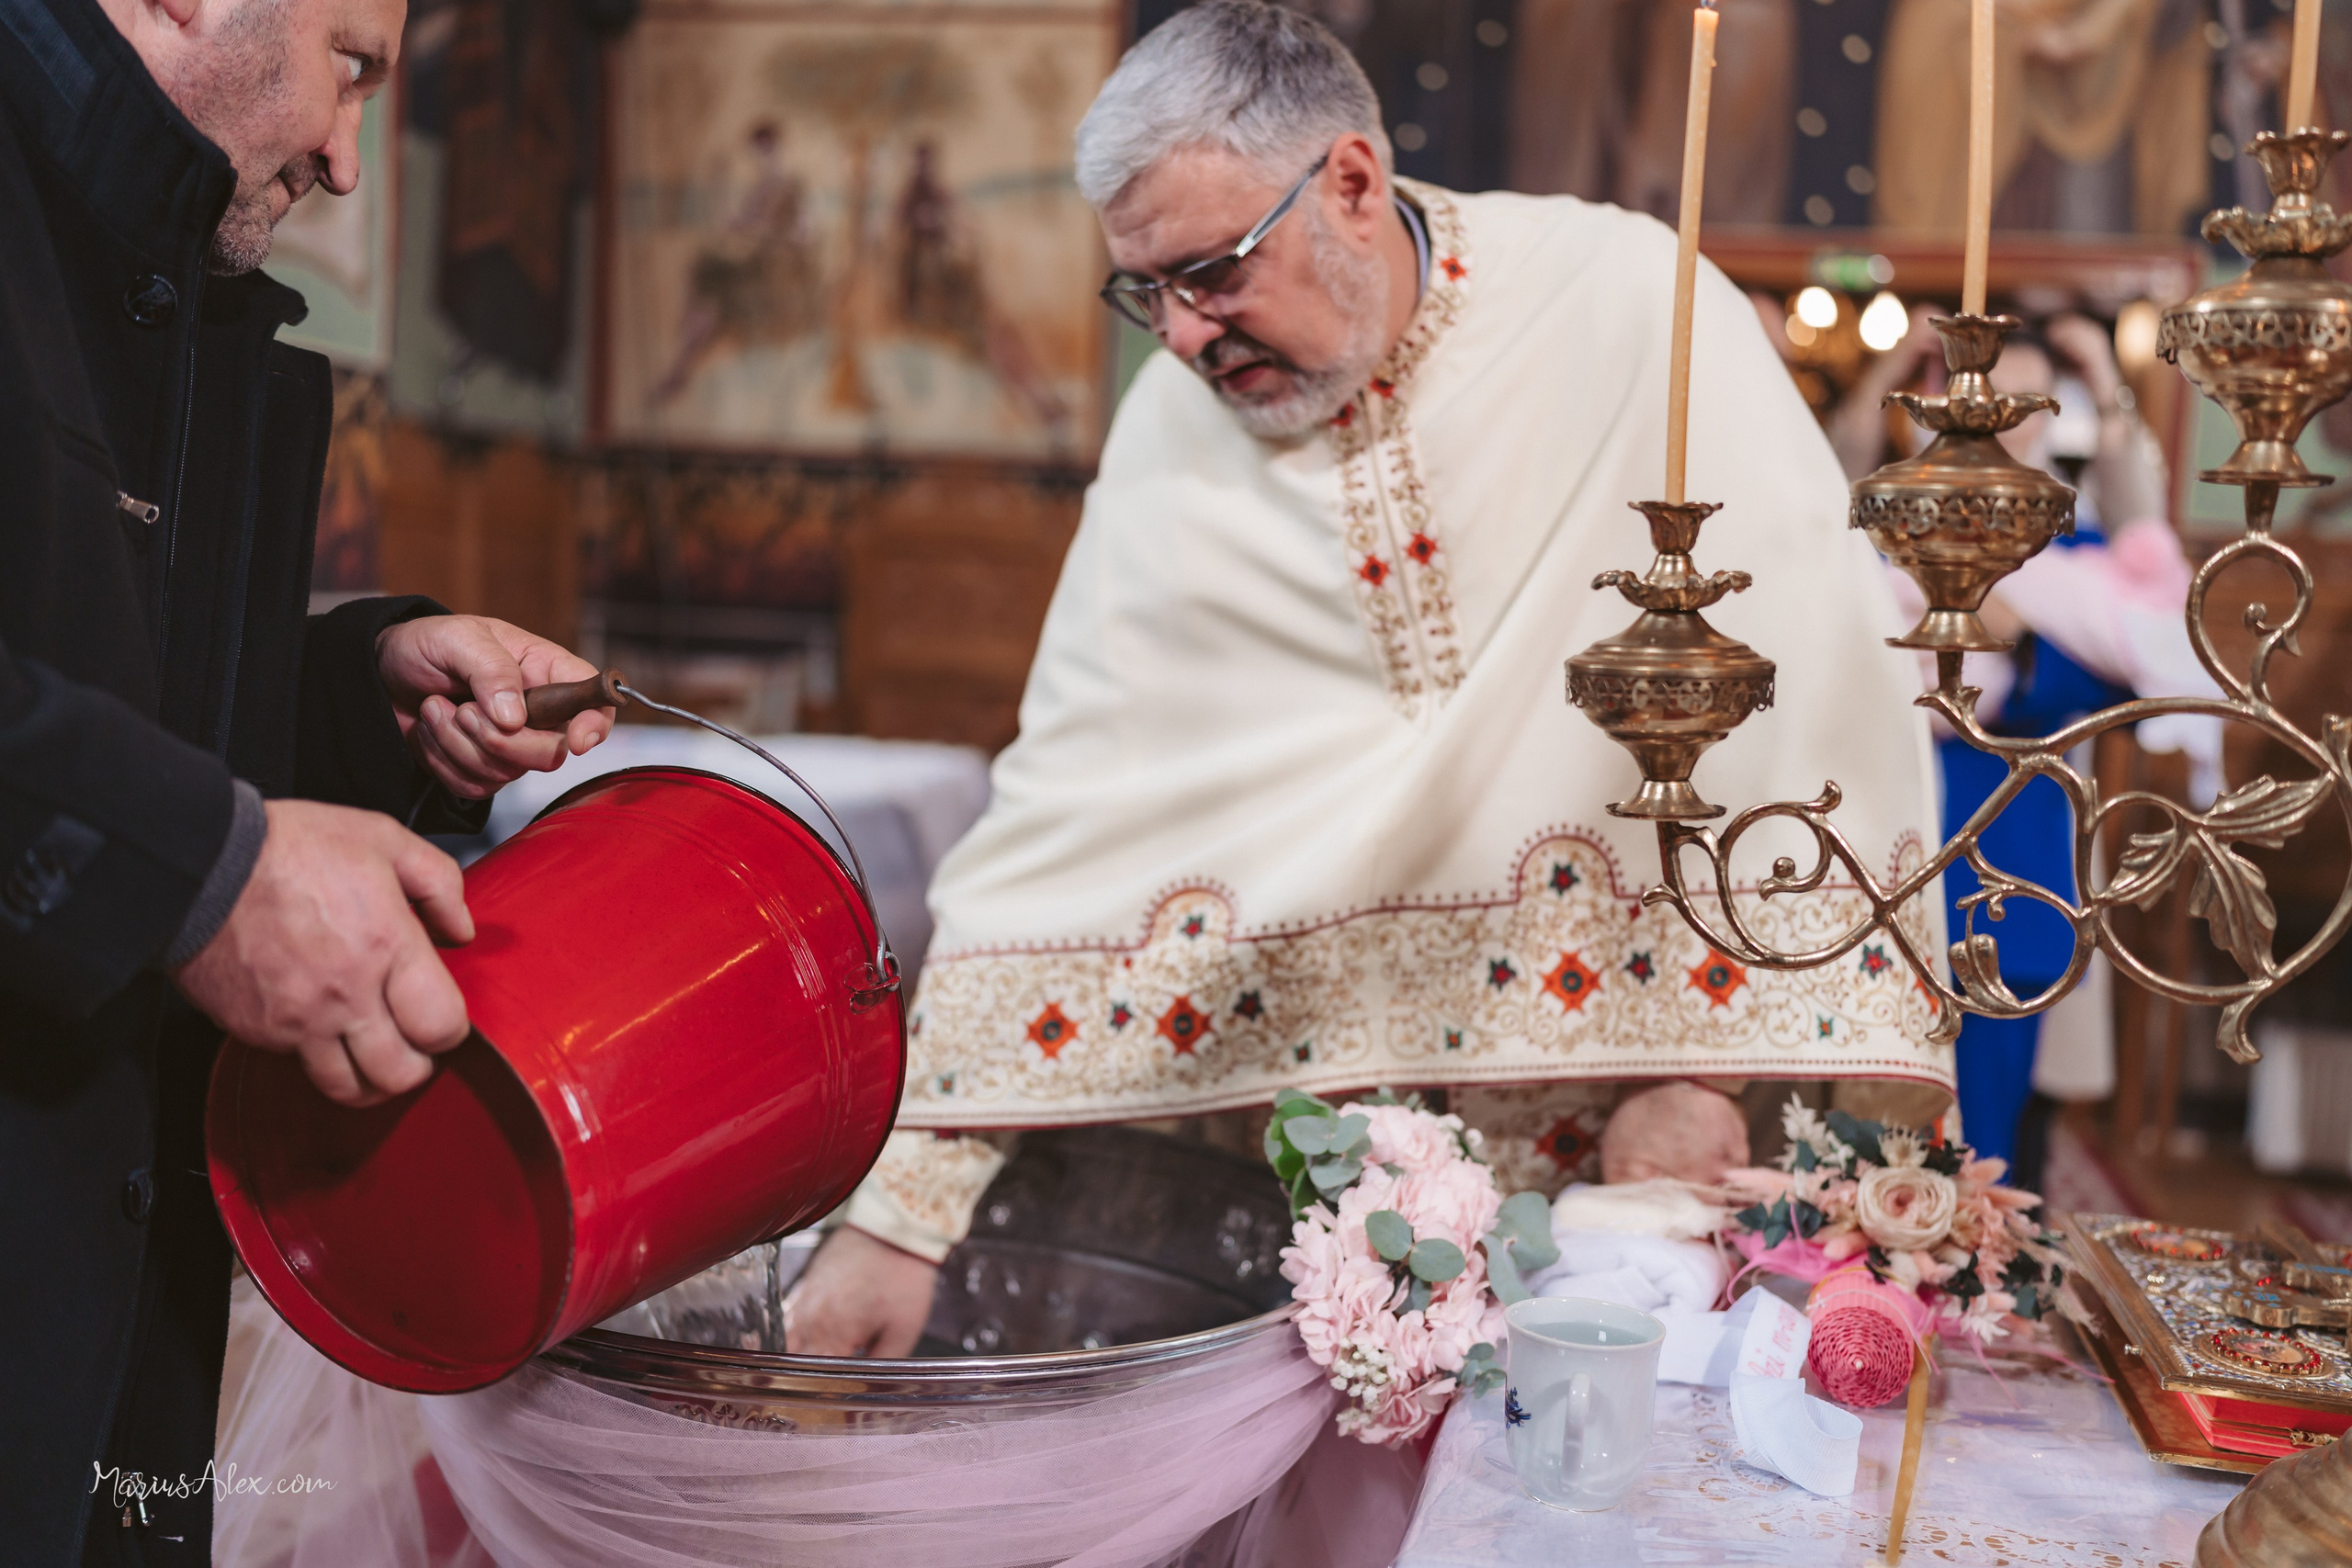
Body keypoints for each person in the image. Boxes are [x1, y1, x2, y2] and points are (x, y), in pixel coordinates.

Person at [785, 0, 1948, 1358]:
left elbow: (1805, 700)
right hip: (1311, 1164)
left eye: (1211, 271)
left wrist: (1704, 1073)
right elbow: (1072, 802)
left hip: (1651, 1140)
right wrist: (902, 1216)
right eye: (1143, 288)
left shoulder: (1633, 307)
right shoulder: (1176, 426)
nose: (1178, 335)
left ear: (1349, 181)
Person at [0, 0, 614, 1557]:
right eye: (351, 70)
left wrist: (363, 702)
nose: (352, 162)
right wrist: (210, 876)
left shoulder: (155, 269)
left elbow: (97, 673)